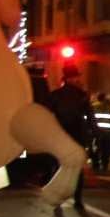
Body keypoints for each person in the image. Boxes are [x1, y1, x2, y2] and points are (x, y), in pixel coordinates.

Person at [46, 63, 95, 209]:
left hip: (61, 135)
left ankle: (58, 196)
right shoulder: (81, 95)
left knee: (59, 166)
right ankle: (77, 199)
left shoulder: (55, 95)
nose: (77, 80)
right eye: (75, 77)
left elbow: (48, 115)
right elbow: (90, 116)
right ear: (68, 79)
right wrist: (93, 132)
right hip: (76, 135)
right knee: (76, 168)